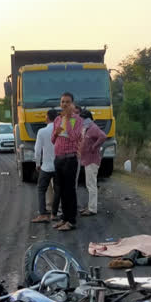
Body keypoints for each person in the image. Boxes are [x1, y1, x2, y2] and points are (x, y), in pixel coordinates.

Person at [50, 92, 83, 232]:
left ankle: (71, 221)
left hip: (70, 159)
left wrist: (68, 120)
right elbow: (53, 140)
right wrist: (56, 132)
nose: (65, 104)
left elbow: (75, 137)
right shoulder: (57, 119)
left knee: (70, 191)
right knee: (61, 190)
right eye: (63, 101)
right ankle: (64, 218)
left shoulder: (77, 120)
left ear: (72, 104)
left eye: (68, 102)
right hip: (58, 158)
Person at [31, 109, 59, 223]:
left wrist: (37, 163)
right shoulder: (60, 130)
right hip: (59, 165)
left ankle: (43, 214)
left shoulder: (42, 131)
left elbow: (37, 150)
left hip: (46, 166)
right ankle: (55, 213)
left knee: (41, 189)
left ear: (47, 118)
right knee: (58, 190)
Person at [78, 109, 107, 217]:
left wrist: (94, 147)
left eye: (82, 118)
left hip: (92, 160)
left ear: (87, 119)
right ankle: (90, 206)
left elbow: (103, 136)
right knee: (89, 184)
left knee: (91, 185)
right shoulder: (87, 128)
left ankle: (92, 208)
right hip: (87, 160)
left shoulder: (93, 128)